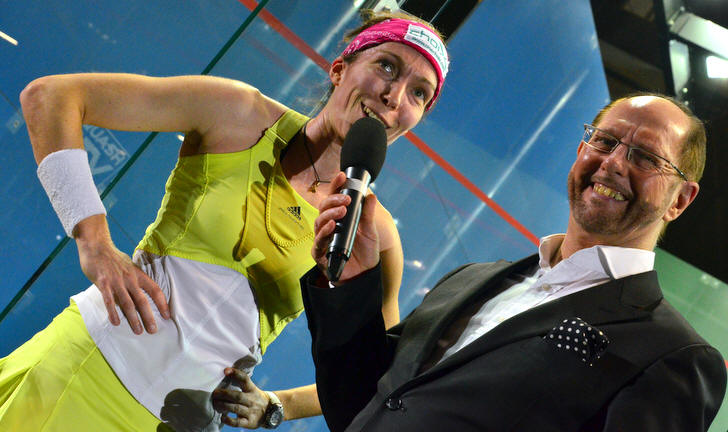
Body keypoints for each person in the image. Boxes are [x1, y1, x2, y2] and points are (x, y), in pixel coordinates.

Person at [0, 9, 450, 431]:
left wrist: (277, 405)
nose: (394, 96)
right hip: (86, 369)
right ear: (339, 69)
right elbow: (51, 98)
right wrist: (94, 242)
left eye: (419, 93)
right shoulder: (240, 113)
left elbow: (378, 372)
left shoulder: (376, 234)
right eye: (387, 66)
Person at [301, 93, 727, 431]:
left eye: (646, 158)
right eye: (605, 141)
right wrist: (351, 281)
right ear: (581, 149)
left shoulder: (674, 356)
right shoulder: (469, 280)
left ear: (680, 200)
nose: (614, 163)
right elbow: (357, 405)